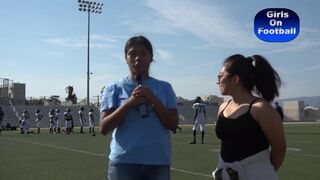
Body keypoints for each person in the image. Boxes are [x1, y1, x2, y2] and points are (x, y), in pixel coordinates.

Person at [99, 35, 178, 180]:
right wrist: (129, 104)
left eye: (143, 54)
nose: (138, 58)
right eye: (132, 53)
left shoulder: (165, 88)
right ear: (125, 57)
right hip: (124, 162)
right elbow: (104, 127)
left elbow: (173, 125)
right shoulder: (114, 88)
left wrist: (153, 99)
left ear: (151, 57)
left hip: (158, 162)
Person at [213, 54, 286, 180]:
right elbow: (225, 143)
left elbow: (279, 148)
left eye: (221, 76)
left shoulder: (262, 109)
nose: (218, 81)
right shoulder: (223, 107)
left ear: (235, 79)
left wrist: (261, 172)